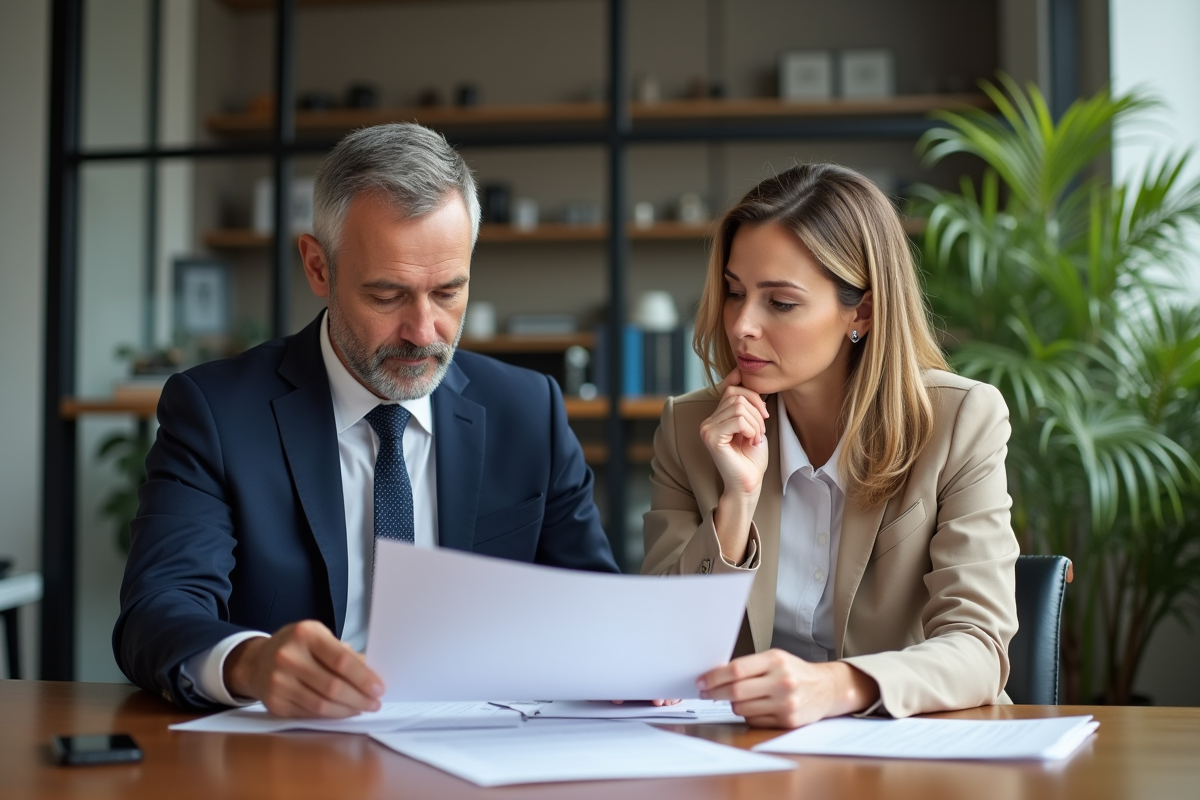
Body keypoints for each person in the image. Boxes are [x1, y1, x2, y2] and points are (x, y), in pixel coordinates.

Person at [114, 123, 617, 717]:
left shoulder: (528, 411)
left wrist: (626, 660)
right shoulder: (218, 412)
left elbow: (596, 610)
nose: (424, 332)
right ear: (318, 268)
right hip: (296, 756)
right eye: (387, 296)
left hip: (483, 748)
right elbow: (157, 609)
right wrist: (251, 661)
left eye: (450, 292)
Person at [642, 164, 1019, 728]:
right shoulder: (690, 429)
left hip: (912, 753)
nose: (742, 324)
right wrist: (736, 504)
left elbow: (978, 645)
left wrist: (837, 686)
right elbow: (658, 645)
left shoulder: (960, 420)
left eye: (781, 303)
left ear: (861, 311)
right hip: (742, 757)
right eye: (735, 292)